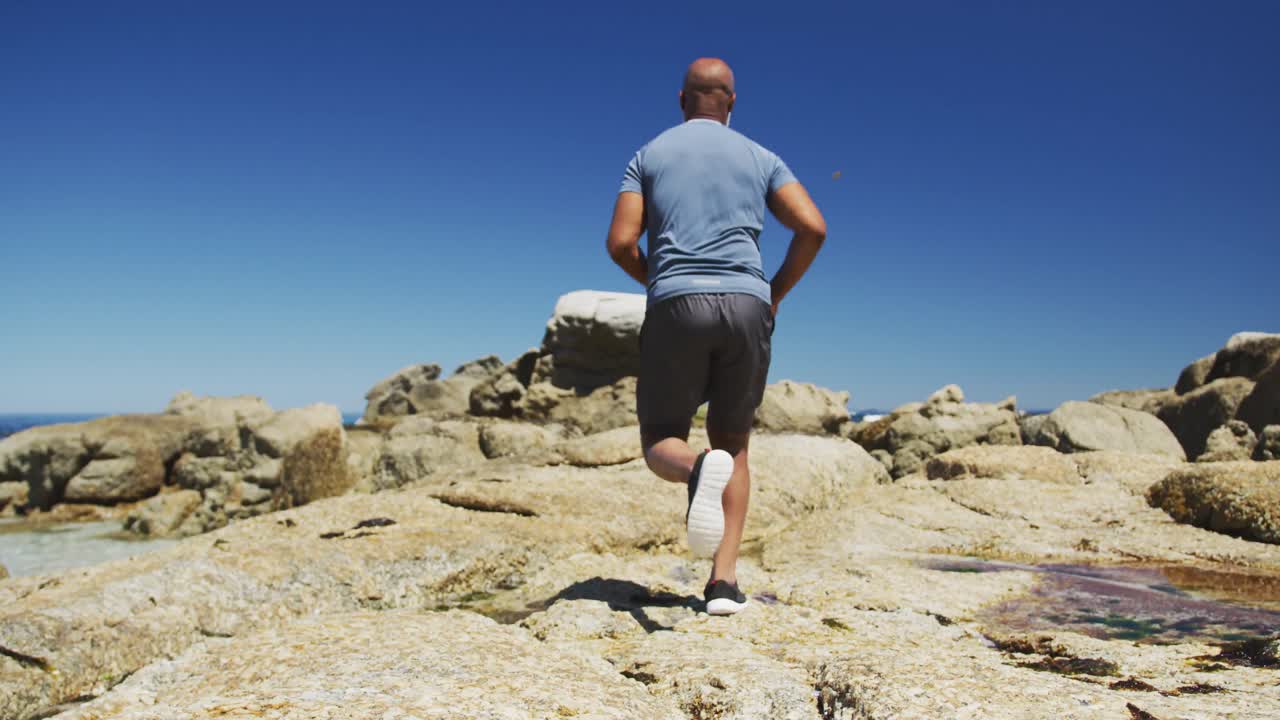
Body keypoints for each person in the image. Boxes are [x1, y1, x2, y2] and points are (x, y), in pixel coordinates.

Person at [605, 58, 827, 615]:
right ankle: (723, 584)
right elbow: (812, 226)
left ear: (682, 100)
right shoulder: (762, 157)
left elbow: (621, 242)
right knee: (736, 444)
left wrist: (661, 280)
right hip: (748, 306)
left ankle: (696, 467)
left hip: (677, 303)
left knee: (661, 438)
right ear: (731, 102)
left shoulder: (648, 156)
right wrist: (772, 292)